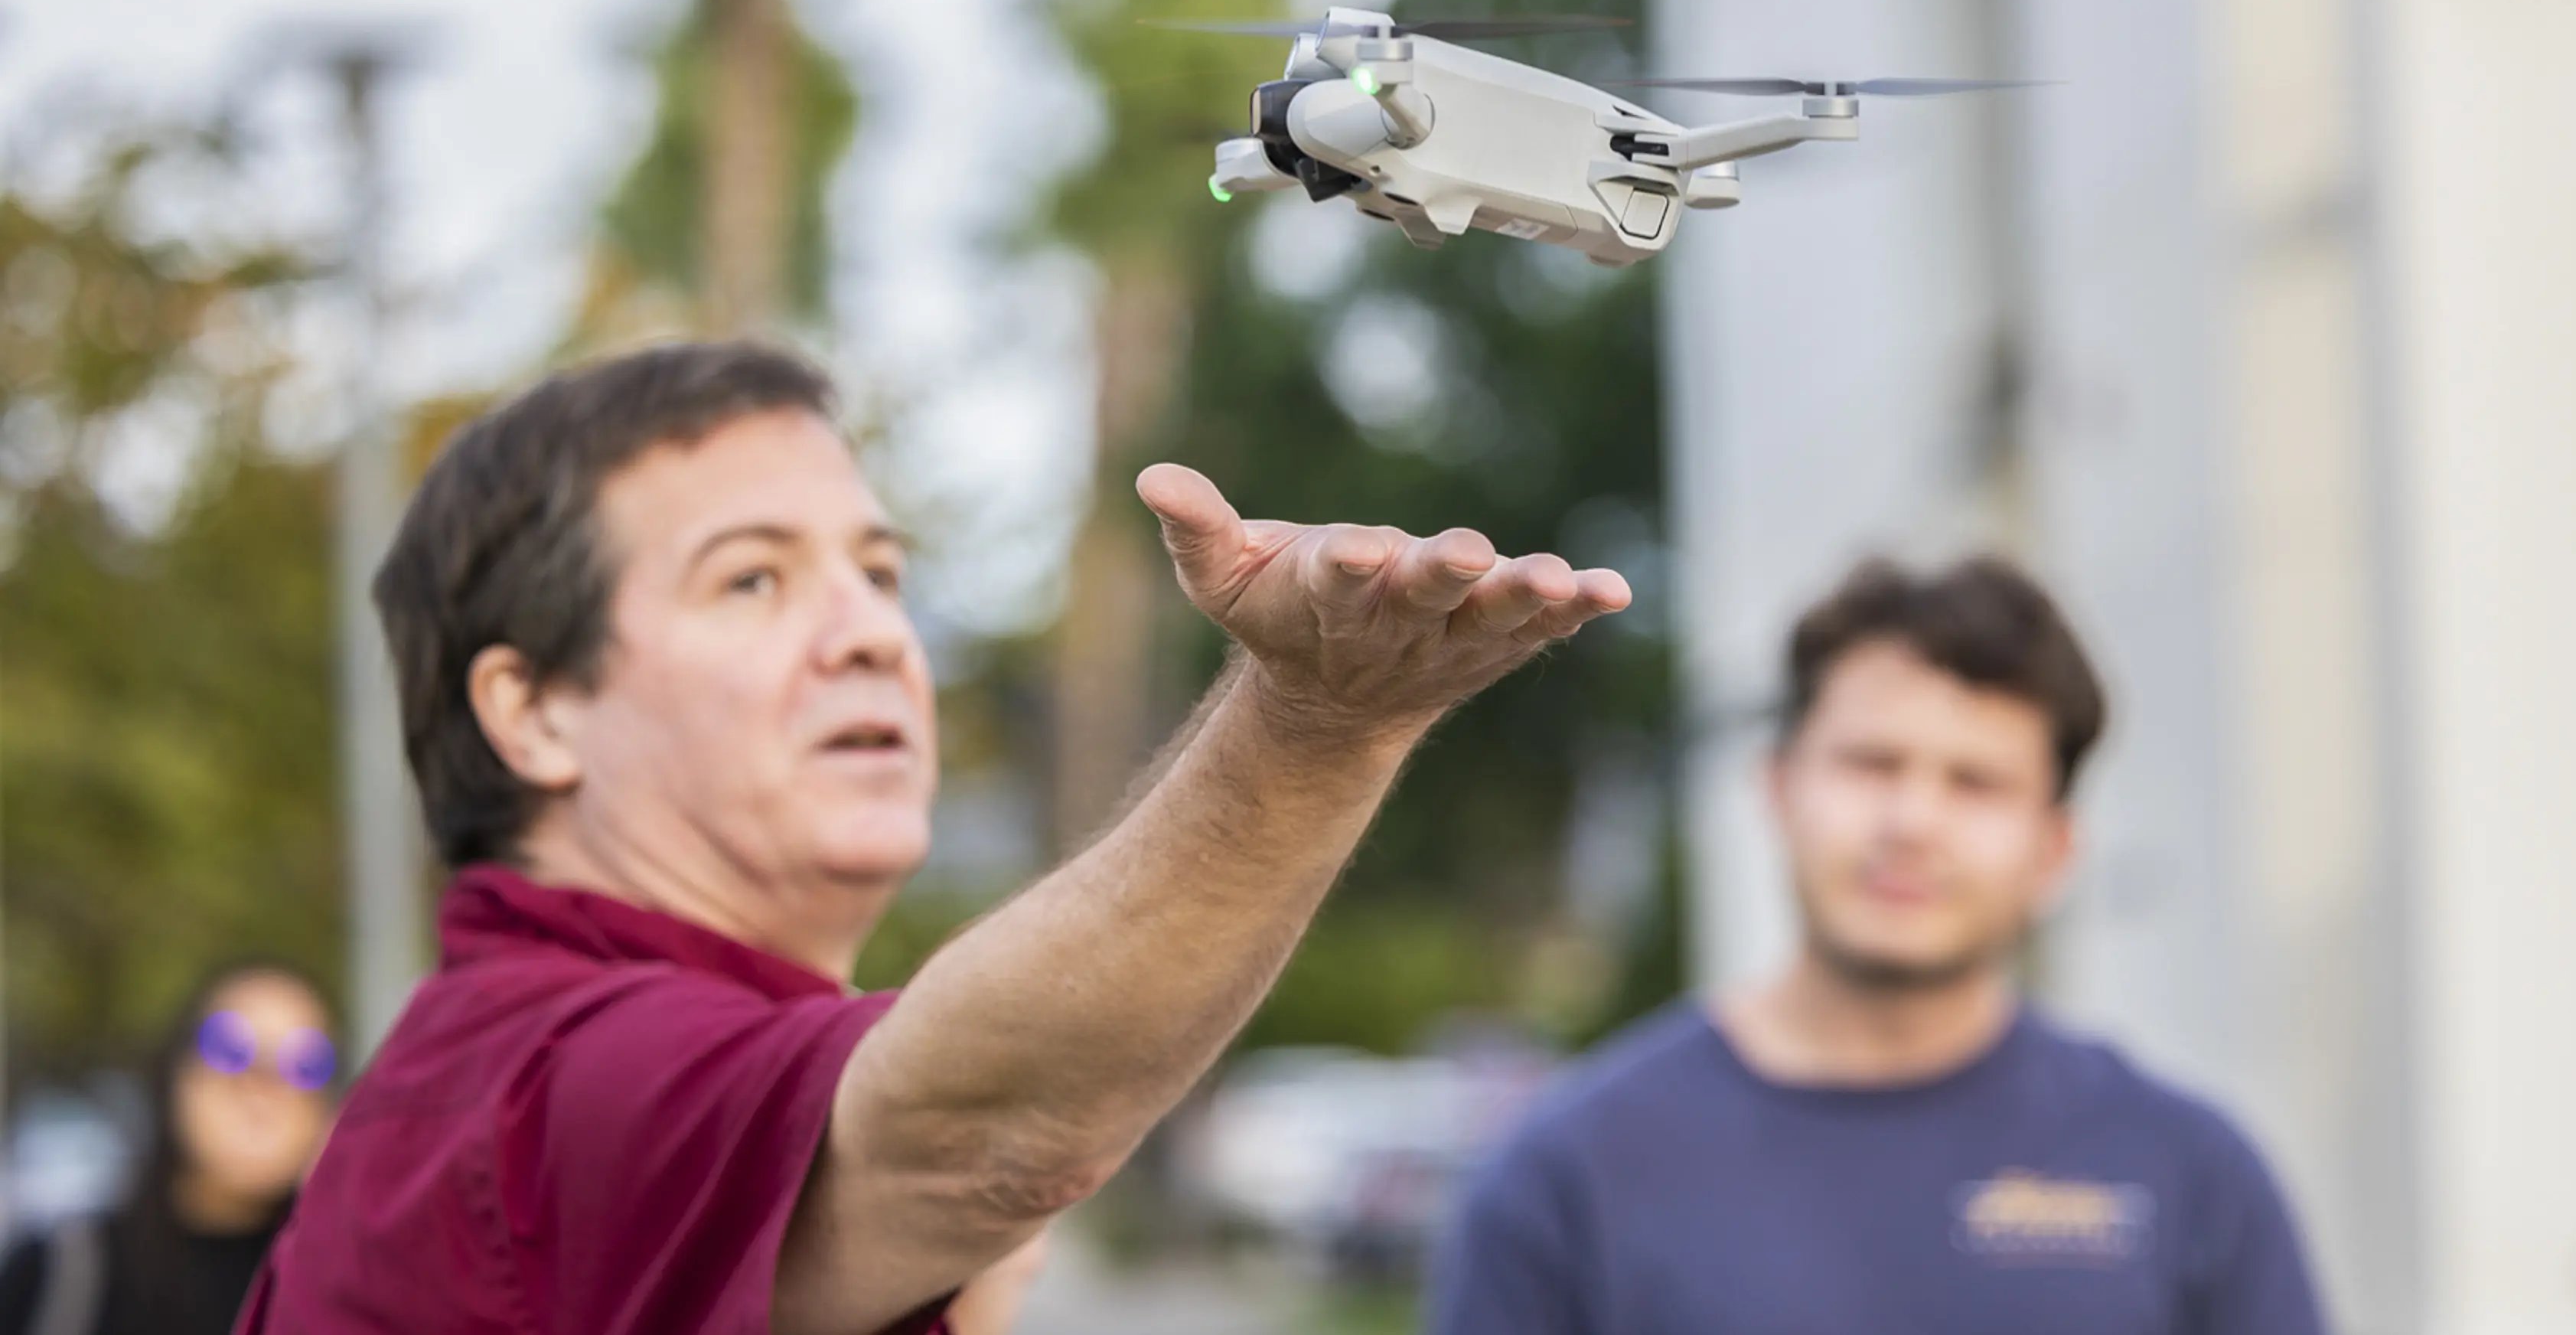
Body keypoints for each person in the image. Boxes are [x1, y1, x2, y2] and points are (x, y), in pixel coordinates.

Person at [237, 341, 1629, 1333]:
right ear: (531, 711)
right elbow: (984, 1137)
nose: (868, 633)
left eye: (881, 570)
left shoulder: (593, 1061)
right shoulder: (548, 1084)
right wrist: (1318, 721)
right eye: (753, 577)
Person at [1430, 557, 2329, 1335]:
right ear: (1778, 790)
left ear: (2051, 849)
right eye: (1871, 763)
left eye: (1974, 783)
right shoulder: (1571, 1176)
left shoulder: (2188, 1173)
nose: (1911, 821)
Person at [0, 963, 339, 1335]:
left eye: (306, 1064)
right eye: (230, 1048)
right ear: (177, 1071)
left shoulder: (352, 1288)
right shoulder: (60, 1274)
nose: (263, 1084)